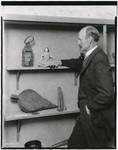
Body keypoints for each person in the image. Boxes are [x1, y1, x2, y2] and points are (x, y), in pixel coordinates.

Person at [41, 26, 115, 148]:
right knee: (74, 144)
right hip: (86, 114)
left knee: (95, 146)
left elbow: (107, 94)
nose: (78, 42)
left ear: (90, 40)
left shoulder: (100, 59)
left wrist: (89, 107)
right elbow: (80, 62)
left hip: (94, 115)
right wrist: (59, 62)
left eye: (80, 39)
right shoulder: (90, 55)